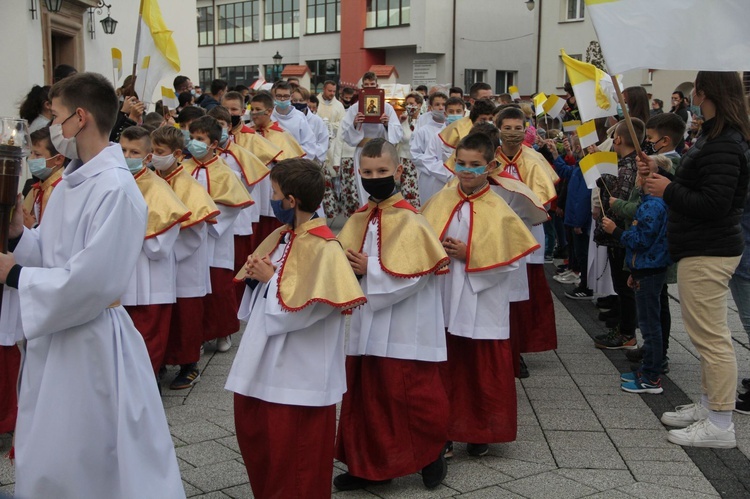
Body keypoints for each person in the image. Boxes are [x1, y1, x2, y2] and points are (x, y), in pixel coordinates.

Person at [0, 72, 183, 498]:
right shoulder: (71, 183)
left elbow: (93, 281)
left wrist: (13, 274)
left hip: (92, 341)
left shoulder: (117, 189)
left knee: (88, 451)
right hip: (59, 337)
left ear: (80, 118)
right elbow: (52, 252)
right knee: (50, 448)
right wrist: (17, 236)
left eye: (57, 116)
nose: (53, 128)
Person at [226, 159, 365, 499]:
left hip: (299, 372)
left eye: (273, 193)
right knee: (266, 452)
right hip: (265, 361)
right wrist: (260, 277)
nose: (270, 199)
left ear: (291, 200)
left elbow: (306, 310)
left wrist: (270, 279)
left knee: (296, 462)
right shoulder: (282, 236)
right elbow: (266, 297)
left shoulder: (326, 249)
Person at [641, 71, 750, 449]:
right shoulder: (715, 135)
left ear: (704, 92)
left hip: (709, 249)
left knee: (712, 339)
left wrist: (668, 189)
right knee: (706, 335)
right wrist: (665, 168)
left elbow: (715, 204)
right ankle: (709, 406)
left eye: (696, 90)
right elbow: (702, 181)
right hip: (703, 246)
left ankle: (720, 423)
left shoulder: (723, 141)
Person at [334, 139, 450, 491]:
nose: (374, 178)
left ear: (398, 172)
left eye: (382, 171)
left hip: (406, 323)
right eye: (367, 172)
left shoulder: (413, 221)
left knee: (410, 393)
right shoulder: (360, 216)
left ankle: (430, 453)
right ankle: (368, 465)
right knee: (368, 395)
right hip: (370, 320)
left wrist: (370, 268)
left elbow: (416, 274)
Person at [421, 133, 538, 457]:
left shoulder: (499, 208)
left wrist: (469, 253)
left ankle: (479, 430)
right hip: (445, 296)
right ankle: (442, 430)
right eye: (461, 163)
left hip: (482, 299)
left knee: (480, 369)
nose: (467, 170)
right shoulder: (442, 199)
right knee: (446, 366)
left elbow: (511, 260)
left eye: (475, 165)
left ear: (490, 167)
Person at [151, 126, 219, 390]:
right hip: (159, 258)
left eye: (159, 152)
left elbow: (196, 229)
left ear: (177, 154)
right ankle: (160, 362)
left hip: (184, 259)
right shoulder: (153, 179)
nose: (154, 157)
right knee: (162, 316)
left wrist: (166, 251)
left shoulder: (188, 184)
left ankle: (190, 365)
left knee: (186, 315)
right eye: (153, 151)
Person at [119, 126, 191, 375]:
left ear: (148, 158)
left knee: (148, 343)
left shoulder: (159, 190)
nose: (127, 156)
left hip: (150, 282)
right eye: (123, 150)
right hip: (121, 280)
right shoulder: (115, 183)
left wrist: (127, 226)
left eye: (134, 152)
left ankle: (147, 392)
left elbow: (159, 248)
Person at [493, 106, 559, 374]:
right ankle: (496, 349)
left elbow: (544, 197)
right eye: (507, 128)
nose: (512, 133)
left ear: (526, 129)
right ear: (498, 129)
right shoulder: (488, 158)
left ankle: (517, 349)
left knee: (522, 297)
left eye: (517, 128)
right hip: (494, 234)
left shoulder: (534, 160)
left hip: (527, 231)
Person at [182, 116, 254, 353]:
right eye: (191, 138)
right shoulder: (184, 168)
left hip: (215, 235)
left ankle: (223, 331)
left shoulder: (225, 172)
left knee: (219, 287)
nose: (194, 143)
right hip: (189, 235)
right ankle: (200, 333)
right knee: (196, 289)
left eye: (200, 139)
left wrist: (209, 219)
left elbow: (234, 203)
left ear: (213, 143)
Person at [602, 174, 671, 394]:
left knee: (650, 326)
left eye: (642, 176)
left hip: (650, 270)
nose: (637, 179)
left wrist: (616, 231)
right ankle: (647, 369)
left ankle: (652, 376)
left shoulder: (653, 206)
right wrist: (634, 270)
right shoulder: (647, 203)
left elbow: (641, 240)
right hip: (645, 268)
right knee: (649, 324)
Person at [208, 106, 270, 305]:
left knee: (237, 267)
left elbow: (248, 187)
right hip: (211, 219)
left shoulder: (240, 154)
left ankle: (241, 305)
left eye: (222, 125)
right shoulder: (202, 157)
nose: (218, 129)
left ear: (229, 127)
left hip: (238, 218)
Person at [593, 118, 645, 350]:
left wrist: (610, 227)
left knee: (625, 288)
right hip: (617, 235)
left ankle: (627, 333)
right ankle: (625, 328)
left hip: (620, 235)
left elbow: (619, 200)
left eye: (613, 137)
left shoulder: (628, 166)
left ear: (619, 139)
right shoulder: (623, 163)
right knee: (621, 285)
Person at [340, 71, 403, 211]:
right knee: (365, 186)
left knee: (383, 182)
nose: (369, 88)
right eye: (366, 85)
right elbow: (345, 133)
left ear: (377, 86)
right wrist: (355, 124)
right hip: (363, 151)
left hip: (382, 151)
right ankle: (367, 214)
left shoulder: (387, 108)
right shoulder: (354, 108)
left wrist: (387, 124)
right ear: (362, 87)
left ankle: (385, 211)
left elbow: (398, 132)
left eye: (372, 85)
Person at [22, 127, 66, 228]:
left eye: (37, 155)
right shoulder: (36, 189)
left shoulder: (64, 190)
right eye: (31, 153)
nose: (30, 159)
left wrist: (33, 226)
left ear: (59, 159)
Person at [271, 81, 316, 158]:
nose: (282, 99)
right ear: (275, 97)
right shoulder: (270, 116)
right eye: (279, 96)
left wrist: (294, 156)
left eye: (285, 96)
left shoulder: (299, 117)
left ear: (291, 97)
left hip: (295, 163)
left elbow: (309, 144)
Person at [397, 92, 424, 208]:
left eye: (412, 104)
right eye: (407, 104)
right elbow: (394, 138)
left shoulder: (424, 120)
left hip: (420, 162)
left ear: (419, 105)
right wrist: (398, 123)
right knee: (407, 193)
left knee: (420, 192)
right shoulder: (402, 120)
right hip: (405, 161)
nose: (409, 106)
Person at [291, 86, 329, 164]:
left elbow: (323, 142)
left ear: (307, 102)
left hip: (311, 162)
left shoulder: (317, 121)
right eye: (295, 100)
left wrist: (310, 153)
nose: (298, 103)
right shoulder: (289, 119)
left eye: (301, 100)